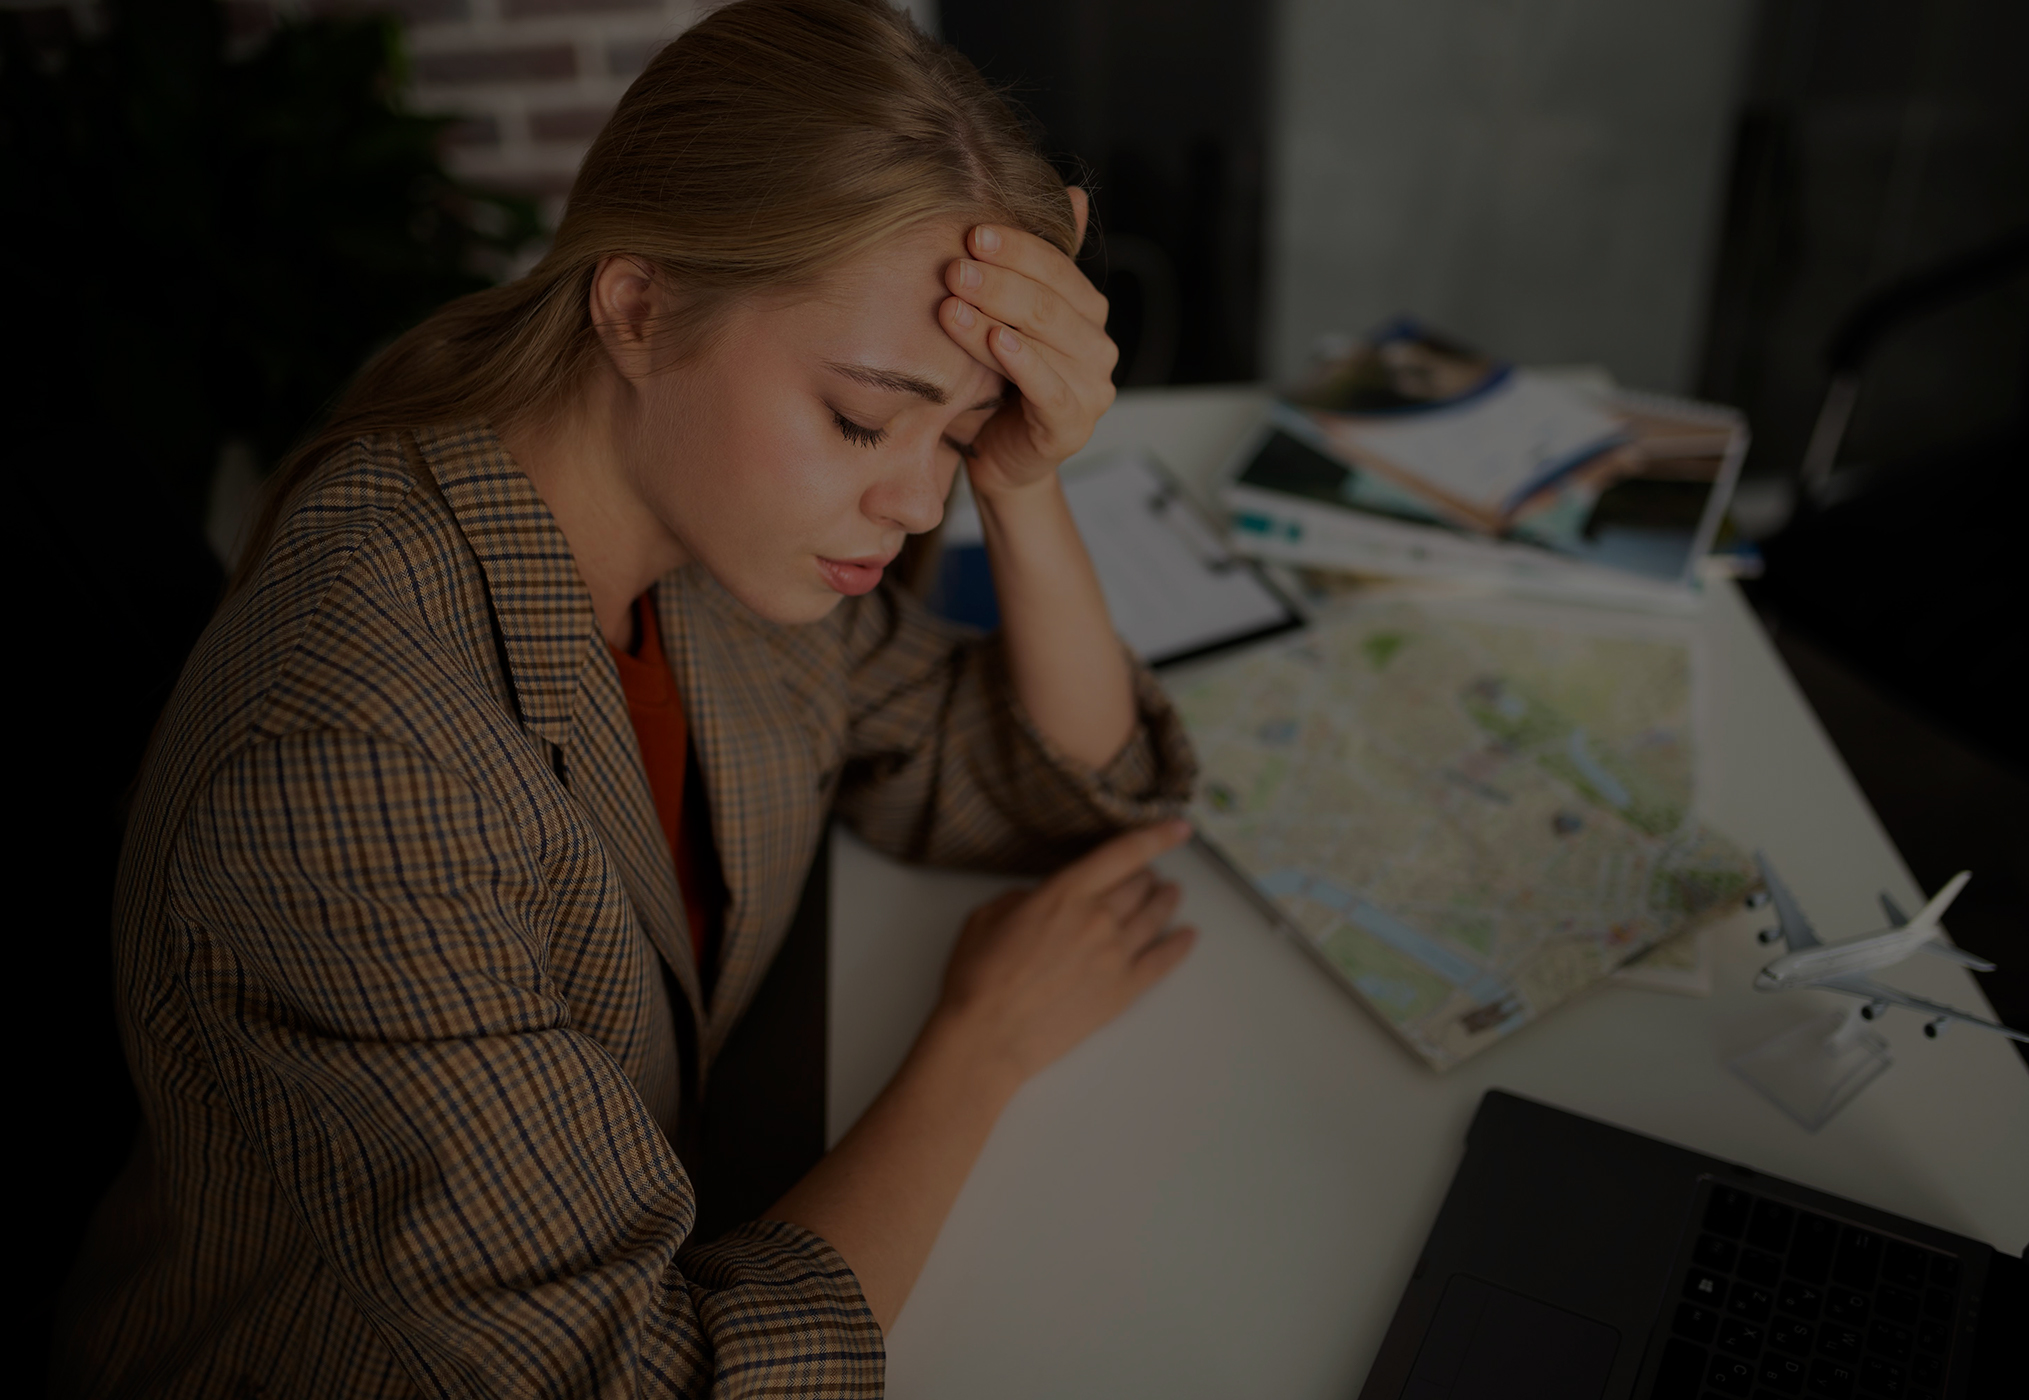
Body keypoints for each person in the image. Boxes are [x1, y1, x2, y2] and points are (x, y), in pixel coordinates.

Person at [52, 1, 1198, 1394]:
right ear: (640, 305)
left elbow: (1046, 780)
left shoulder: (711, 535)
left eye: (955, 433)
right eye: (859, 418)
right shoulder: (353, 771)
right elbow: (657, 1379)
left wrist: (1022, 482)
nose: (912, 501)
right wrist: (977, 1049)